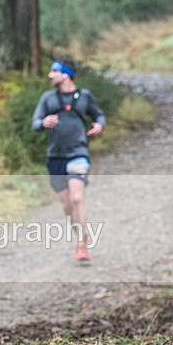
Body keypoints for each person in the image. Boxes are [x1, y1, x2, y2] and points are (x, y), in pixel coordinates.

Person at [31, 58, 105, 265]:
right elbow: (35, 123)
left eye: (54, 71)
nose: (50, 75)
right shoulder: (48, 98)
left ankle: (82, 245)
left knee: (76, 198)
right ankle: (82, 234)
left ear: (66, 74)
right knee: (66, 206)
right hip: (55, 157)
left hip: (78, 153)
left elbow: (99, 116)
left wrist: (99, 125)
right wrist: (44, 122)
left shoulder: (84, 97)